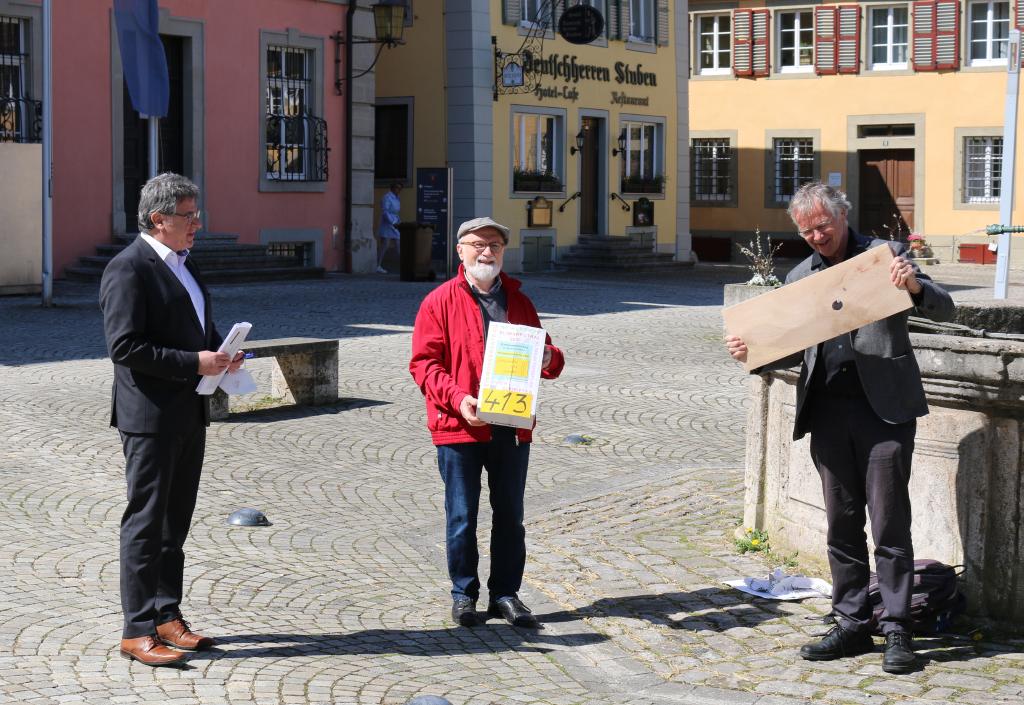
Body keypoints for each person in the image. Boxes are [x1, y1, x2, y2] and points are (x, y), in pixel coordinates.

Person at [724, 182, 953, 674]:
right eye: (806, 231)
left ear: (842, 216)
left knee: (890, 524)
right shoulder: (802, 274)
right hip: (827, 412)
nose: (815, 237)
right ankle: (851, 623)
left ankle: (896, 627)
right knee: (841, 525)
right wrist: (754, 355)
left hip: (883, 412)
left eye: (822, 227)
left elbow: (943, 306)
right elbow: (789, 346)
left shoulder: (883, 255)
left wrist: (912, 284)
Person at [99, 173, 243, 667]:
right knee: (145, 522)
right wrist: (193, 362)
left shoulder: (186, 263)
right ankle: (136, 628)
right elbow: (124, 346)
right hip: (150, 416)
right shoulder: (128, 269)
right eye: (188, 216)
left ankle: (166, 614)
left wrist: (222, 352)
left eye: (197, 215)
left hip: (189, 411)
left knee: (174, 523)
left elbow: (197, 326)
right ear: (158, 219)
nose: (197, 225)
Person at [409, 216, 565, 629]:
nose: (487, 252)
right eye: (478, 244)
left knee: (510, 515)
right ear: (460, 250)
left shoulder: (519, 301)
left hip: (511, 425)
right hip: (459, 425)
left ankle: (505, 595)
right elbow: (423, 365)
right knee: (462, 516)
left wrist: (549, 357)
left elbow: (545, 355)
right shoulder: (438, 301)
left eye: (495, 245)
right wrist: (458, 399)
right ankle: (464, 595)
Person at [376, 181, 402, 274]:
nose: (398, 190)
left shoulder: (397, 198)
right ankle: (378, 265)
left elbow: (396, 212)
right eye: (397, 188)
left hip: (394, 222)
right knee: (385, 245)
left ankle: (404, 265)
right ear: (392, 188)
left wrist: (398, 221)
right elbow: (385, 211)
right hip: (387, 223)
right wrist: (392, 221)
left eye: (399, 188)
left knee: (398, 243)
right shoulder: (387, 197)